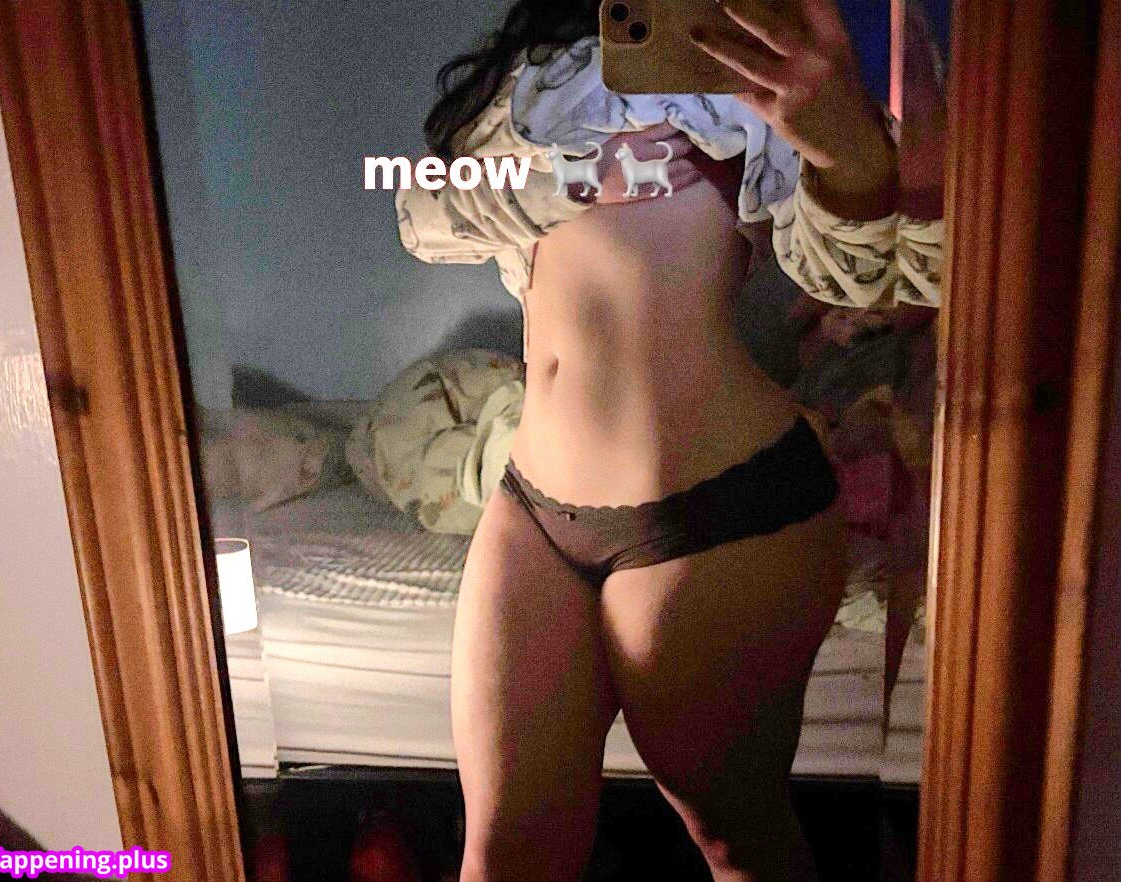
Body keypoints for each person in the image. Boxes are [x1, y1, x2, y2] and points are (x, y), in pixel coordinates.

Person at [396, 1, 940, 879]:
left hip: (718, 508)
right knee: (502, 857)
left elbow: (867, 280)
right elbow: (422, 218)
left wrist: (845, 155)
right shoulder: (527, 73)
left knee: (733, 841)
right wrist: (575, 176)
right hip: (532, 506)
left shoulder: (758, 65)